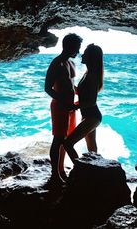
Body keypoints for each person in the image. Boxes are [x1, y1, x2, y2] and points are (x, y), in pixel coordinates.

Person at [45, 33, 82, 185]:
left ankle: (61, 170)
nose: (78, 52)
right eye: (77, 48)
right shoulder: (56, 63)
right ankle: (54, 174)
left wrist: (82, 92)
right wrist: (64, 102)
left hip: (70, 107)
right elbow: (47, 88)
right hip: (60, 107)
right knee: (58, 139)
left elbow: (70, 84)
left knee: (66, 139)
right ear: (69, 46)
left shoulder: (69, 63)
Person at [63, 44, 103, 163]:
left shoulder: (93, 75)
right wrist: (68, 83)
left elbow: (91, 101)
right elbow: (81, 93)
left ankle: (80, 169)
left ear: (91, 57)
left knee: (68, 143)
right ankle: (95, 172)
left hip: (92, 117)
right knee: (92, 149)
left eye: (85, 53)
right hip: (89, 116)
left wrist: (75, 106)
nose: (82, 55)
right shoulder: (88, 73)